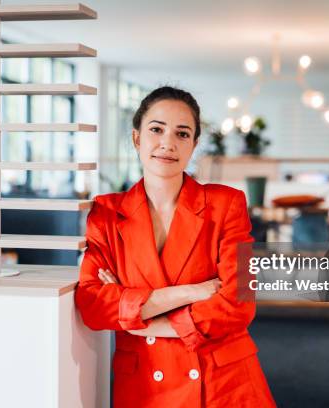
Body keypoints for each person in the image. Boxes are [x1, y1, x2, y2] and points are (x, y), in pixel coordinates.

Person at [74, 86, 276, 407]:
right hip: (145, 384)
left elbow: (238, 304)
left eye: (182, 134)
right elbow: (94, 305)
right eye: (156, 129)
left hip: (221, 381)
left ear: (193, 145)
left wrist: (140, 320)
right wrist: (191, 292)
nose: (168, 143)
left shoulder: (227, 204)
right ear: (137, 138)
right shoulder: (107, 214)